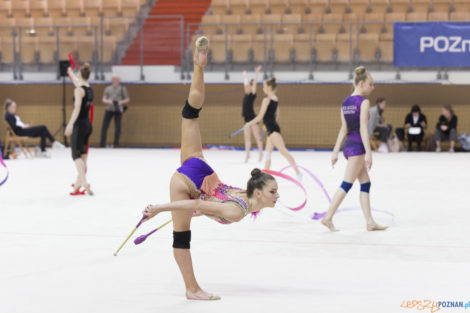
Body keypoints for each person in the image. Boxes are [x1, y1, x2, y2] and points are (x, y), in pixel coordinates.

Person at [142, 37, 279, 301]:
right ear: (259, 194)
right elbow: (200, 207)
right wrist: (160, 209)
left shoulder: (244, 193)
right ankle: (192, 290)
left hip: (200, 167)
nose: (277, 195)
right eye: (273, 191)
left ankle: (199, 65)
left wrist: (193, 209)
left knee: (191, 112)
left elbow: (202, 207)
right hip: (186, 183)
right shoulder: (236, 211)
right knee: (181, 239)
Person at [321, 66, 387, 232]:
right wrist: (369, 154)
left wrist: (336, 150)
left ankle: (370, 222)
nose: (373, 87)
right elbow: (364, 130)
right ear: (362, 83)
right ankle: (328, 217)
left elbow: (343, 129)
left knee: (365, 183)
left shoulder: (345, 102)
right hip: (358, 148)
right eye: (371, 84)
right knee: (346, 184)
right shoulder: (363, 102)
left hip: (348, 147)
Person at [243, 76, 301, 180]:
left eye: (264, 86)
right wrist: (267, 124)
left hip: (273, 130)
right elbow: (276, 114)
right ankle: (264, 178)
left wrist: (248, 123)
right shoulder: (275, 98)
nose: (263, 88)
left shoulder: (266, 100)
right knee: (268, 155)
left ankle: (298, 173)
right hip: (271, 128)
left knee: (283, 151)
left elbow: (260, 116)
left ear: (269, 87)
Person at [65, 64, 94, 195]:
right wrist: (70, 73)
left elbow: (76, 108)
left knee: (75, 155)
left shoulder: (78, 91)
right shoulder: (89, 89)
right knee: (83, 157)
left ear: (80, 74)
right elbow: (78, 83)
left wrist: (70, 124)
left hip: (79, 125)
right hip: (88, 125)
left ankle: (84, 182)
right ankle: (78, 185)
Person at [100, 74, 130, 148]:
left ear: (119, 81)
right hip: (109, 109)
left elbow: (127, 99)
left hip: (118, 110)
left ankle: (116, 143)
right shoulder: (107, 88)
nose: (115, 81)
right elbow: (103, 99)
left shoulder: (122, 89)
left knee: (118, 127)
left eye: (117, 79)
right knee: (104, 127)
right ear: (112, 80)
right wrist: (108, 101)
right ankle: (102, 143)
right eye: (114, 79)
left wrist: (121, 102)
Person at [242, 65, 263, 163]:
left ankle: (261, 154)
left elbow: (254, 84)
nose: (246, 87)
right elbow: (246, 83)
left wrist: (256, 73)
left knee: (257, 137)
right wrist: (245, 76)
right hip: (246, 119)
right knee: (247, 137)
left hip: (252, 118)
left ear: (250, 88)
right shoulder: (246, 93)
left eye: (248, 86)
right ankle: (247, 155)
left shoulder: (252, 94)